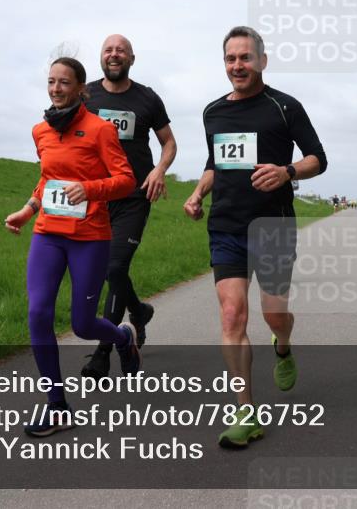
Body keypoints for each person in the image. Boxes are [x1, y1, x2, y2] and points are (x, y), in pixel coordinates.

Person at [183, 26, 327, 448]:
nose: (237, 66)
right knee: (232, 317)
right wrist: (196, 193)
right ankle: (245, 412)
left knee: (273, 315)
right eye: (230, 59)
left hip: (273, 226)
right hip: (226, 226)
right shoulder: (212, 112)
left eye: (245, 57)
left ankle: (282, 344)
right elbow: (216, 162)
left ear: (262, 60)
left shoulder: (285, 107)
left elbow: (318, 158)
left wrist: (287, 172)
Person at [4, 56, 141, 437]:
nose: (56, 89)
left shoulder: (100, 130)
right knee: (38, 313)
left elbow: (126, 180)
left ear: (82, 89)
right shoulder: (41, 131)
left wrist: (91, 188)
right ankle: (57, 404)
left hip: (90, 237)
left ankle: (123, 337)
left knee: (82, 325)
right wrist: (27, 210)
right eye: (51, 81)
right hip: (49, 233)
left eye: (64, 83)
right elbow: (47, 179)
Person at [80, 34, 177, 379]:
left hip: (134, 196)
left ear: (132, 58)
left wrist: (159, 170)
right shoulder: (86, 95)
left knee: (115, 267)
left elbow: (168, 142)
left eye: (121, 50)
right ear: (101, 57)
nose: (114, 54)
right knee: (107, 270)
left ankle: (102, 354)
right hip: (95, 198)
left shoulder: (147, 98)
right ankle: (138, 309)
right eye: (108, 49)